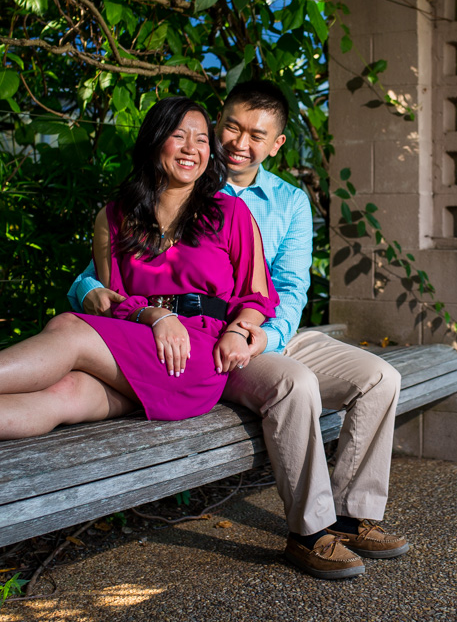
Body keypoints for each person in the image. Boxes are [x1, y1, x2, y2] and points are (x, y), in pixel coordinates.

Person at [67, 80, 408, 580]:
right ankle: (310, 531)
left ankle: (353, 515)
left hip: (269, 331)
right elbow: (108, 269)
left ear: (276, 144)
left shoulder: (289, 202)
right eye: (230, 126)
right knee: (295, 386)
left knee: (381, 378)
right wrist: (84, 290)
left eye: (256, 134)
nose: (237, 143)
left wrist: (262, 334)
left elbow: (291, 287)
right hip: (199, 336)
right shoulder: (182, 176)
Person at [0, 98, 276, 463]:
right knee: (66, 393)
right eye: (178, 136)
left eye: (202, 139)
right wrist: (155, 315)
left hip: (196, 354)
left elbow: (258, 297)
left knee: (68, 327)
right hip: (143, 338)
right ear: (155, 141)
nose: (192, 148)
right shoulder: (115, 216)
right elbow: (113, 299)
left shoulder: (230, 213)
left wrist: (239, 331)